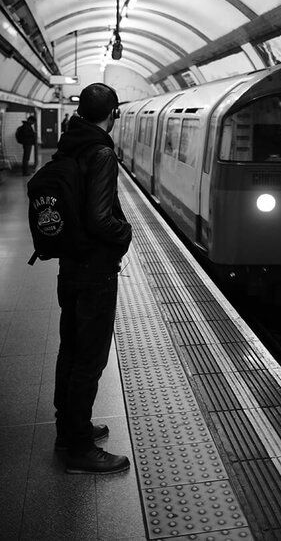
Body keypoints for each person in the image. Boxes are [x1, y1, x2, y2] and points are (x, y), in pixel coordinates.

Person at [54, 83, 132, 474]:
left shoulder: (71, 142)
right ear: (112, 113)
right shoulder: (101, 152)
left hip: (70, 267)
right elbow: (101, 218)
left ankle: (69, 430)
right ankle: (80, 450)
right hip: (94, 271)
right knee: (89, 358)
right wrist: (126, 232)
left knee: (70, 350)